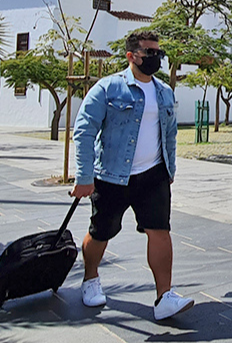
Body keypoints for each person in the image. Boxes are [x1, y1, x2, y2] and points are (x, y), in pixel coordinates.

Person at [71, 31, 194, 321]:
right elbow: (84, 130)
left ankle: (164, 296)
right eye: (148, 52)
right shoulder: (108, 88)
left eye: (158, 53)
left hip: (154, 175)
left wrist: (170, 169)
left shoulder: (164, 91)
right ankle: (90, 279)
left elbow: (171, 134)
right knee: (102, 230)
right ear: (131, 56)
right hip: (113, 176)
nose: (155, 58)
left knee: (160, 230)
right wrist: (84, 176)